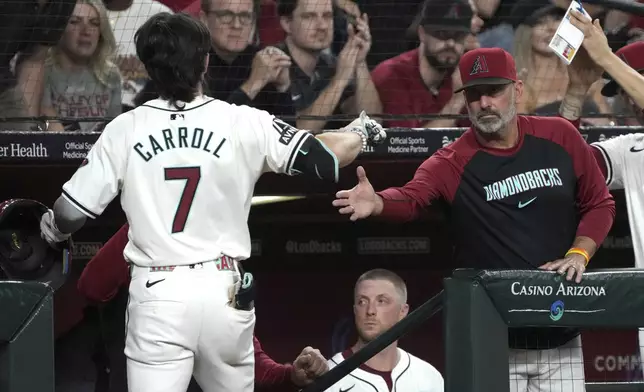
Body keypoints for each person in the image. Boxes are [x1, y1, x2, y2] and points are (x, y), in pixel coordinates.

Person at [38, 12, 385, 392]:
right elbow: (322, 159)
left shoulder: (126, 128)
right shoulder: (240, 121)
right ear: (204, 61)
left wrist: (52, 229)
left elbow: (71, 212)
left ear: (150, 68)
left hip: (159, 292)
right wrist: (360, 133)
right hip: (224, 290)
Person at [333, 46, 615, 392]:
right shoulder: (452, 160)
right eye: (475, 95)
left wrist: (578, 254)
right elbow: (412, 196)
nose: (485, 103)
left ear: (518, 90)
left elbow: (599, 203)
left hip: (561, 335)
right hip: (494, 339)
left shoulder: (559, 136)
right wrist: (377, 202)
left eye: (494, 91)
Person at [76, 223, 330, 391]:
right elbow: (91, 286)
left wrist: (290, 376)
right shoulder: (142, 233)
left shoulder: (226, 255)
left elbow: (246, 358)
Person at [558, 18, 644, 380]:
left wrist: (607, 57)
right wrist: (576, 93)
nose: (623, 99)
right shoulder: (631, 148)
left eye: (625, 83)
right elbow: (565, 169)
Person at [324, 269, 443, 392]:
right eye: (362, 302)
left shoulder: (428, 377)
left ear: (403, 311)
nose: (370, 311)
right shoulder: (327, 378)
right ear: (355, 310)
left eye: (381, 301)